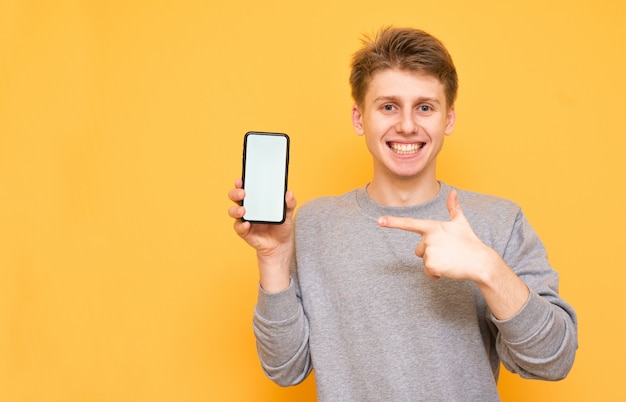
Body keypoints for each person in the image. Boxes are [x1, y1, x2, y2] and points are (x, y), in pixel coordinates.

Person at [228, 26, 577, 401]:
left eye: (425, 107)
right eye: (388, 106)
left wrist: (488, 269)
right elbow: (286, 369)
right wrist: (273, 257)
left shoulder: (499, 221)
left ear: (449, 119)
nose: (407, 125)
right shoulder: (314, 224)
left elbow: (551, 361)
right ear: (360, 118)